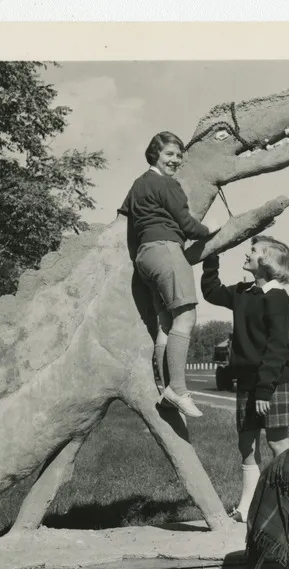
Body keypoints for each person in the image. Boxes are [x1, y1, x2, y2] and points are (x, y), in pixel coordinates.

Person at [118, 131, 218, 418]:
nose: (175, 160)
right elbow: (187, 225)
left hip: (144, 257)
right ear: (155, 155)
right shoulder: (167, 184)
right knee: (185, 317)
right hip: (166, 250)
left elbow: (126, 214)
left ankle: (163, 387)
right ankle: (178, 389)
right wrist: (210, 231)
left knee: (165, 323)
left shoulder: (138, 184)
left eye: (178, 155)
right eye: (169, 154)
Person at [201, 235, 289, 523]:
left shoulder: (279, 299)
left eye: (253, 251)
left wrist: (265, 391)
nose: (247, 253)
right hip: (247, 382)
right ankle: (247, 507)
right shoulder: (243, 292)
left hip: (274, 383)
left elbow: (276, 349)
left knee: (278, 444)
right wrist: (211, 256)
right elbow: (211, 291)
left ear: (266, 261)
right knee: (247, 445)